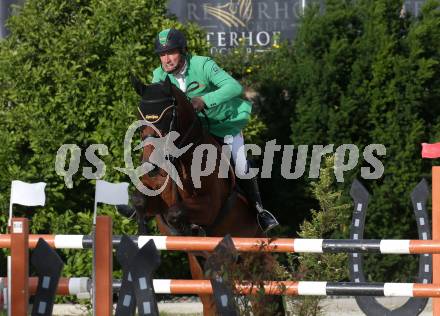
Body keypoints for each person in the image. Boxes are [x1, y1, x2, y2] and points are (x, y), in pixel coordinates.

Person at [151, 28, 279, 233]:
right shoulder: (158, 75)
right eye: (162, 54)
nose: (166, 59)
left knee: (241, 165)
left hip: (223, 125)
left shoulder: (203, 65)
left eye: (171, 53)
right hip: (190, 133)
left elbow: (234, 87)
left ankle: (259, 212)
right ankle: (147, 205)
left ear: (183, 51)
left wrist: (205, 100)